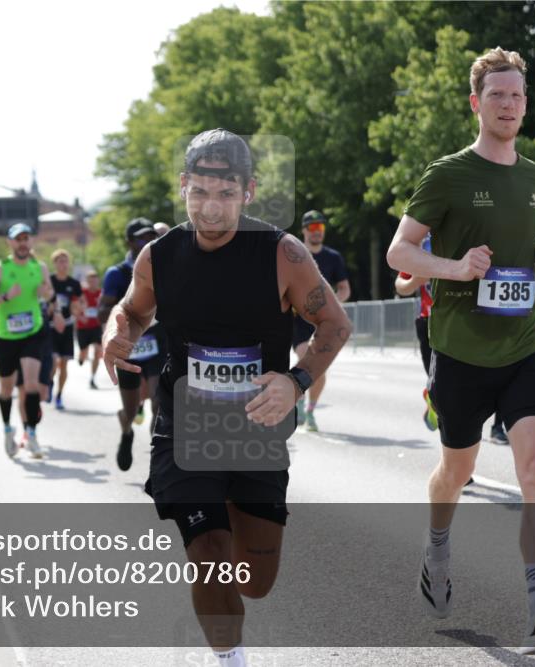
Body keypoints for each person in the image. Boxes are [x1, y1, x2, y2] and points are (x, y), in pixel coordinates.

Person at [103, 128, 351, 667]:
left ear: (249, 191)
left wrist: (296, 381)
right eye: (198, 193)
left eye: (225, 194)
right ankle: (229, 658)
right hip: (183, 425)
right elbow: (133, 309)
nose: (210, 208)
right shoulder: (159, 255)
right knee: (209, 556)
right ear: (183, 186)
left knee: (255, 580)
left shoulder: (282, 254)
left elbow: (334, 323)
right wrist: (115, 330)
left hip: (255, 429)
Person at [386, 48, 535, 654]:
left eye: (518, 96)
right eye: (497, 94)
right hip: (461, 350)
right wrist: (456, 267)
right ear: (476, 103)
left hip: (525, 342)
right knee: (456, 472)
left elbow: (514, 247)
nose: (509, 105)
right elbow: (400, 253)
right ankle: (437, 546)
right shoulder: (446, 174)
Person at [0, 223, 54, 459]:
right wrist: (6, 296)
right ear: (10, 243)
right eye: (17, 239)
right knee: (7, 388)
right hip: (5, 336)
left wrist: (47, 294)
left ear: (31, 242)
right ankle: (8, 429)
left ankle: (31, 434)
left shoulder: (39, 268)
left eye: (26, 238)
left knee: (31, 385)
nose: (22, 243)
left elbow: (50, 294)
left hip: (33, 332)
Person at [99, 218, 163, 471]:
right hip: (129, 349)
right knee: (131, 408)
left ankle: (157, 459)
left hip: (159, 343)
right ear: (129, 242)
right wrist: (119, 320)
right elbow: (102, 310)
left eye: (151, 238)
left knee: (160, 403)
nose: (146, 243)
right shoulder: (117, 273)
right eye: (140, 239)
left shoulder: (164, 268)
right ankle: (126, 432)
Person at [290, 210, 350, 432]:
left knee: (320, 370)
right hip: (298, 322)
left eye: (321, 228)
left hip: (323, 322)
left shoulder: (333, 257)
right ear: (304, 231)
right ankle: (296, 397)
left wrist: (331, 303)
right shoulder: (295, 254)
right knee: (307, 356)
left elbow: (344, 288)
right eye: (313, 228)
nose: (317, 232)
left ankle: (309, 409)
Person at [394, 235, 438, 431]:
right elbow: (400, 286)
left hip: (458, 319)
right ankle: (434, 398)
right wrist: (416, 280)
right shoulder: (421, 241)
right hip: (428, 321)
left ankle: (436, 399)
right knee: (437, 379)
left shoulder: (464, 231)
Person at [49, 248, 83, 410]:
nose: (63, 264)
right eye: (60, 261)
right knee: (54, 361)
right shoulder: (49, 281)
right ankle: (49, 384)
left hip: (68, 326)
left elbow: (79, 304)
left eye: (65, 261)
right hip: (51, 326)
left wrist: (78, 309)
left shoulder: (74, 284)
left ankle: (59, 394)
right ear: (54, 263)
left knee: (64, 363)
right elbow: (42, 301)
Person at [76, 269, 103, 389]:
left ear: (98, 281)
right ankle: (81, 357)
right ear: (87, 282)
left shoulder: (102, 293)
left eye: (95, 281)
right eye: (90, 281)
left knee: (98, 351)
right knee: (84, 352)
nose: (92, 283)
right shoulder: (82, 293)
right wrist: (80, 316)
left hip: (96, 327)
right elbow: (74, 307)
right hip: (83, 327)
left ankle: (92, 377)